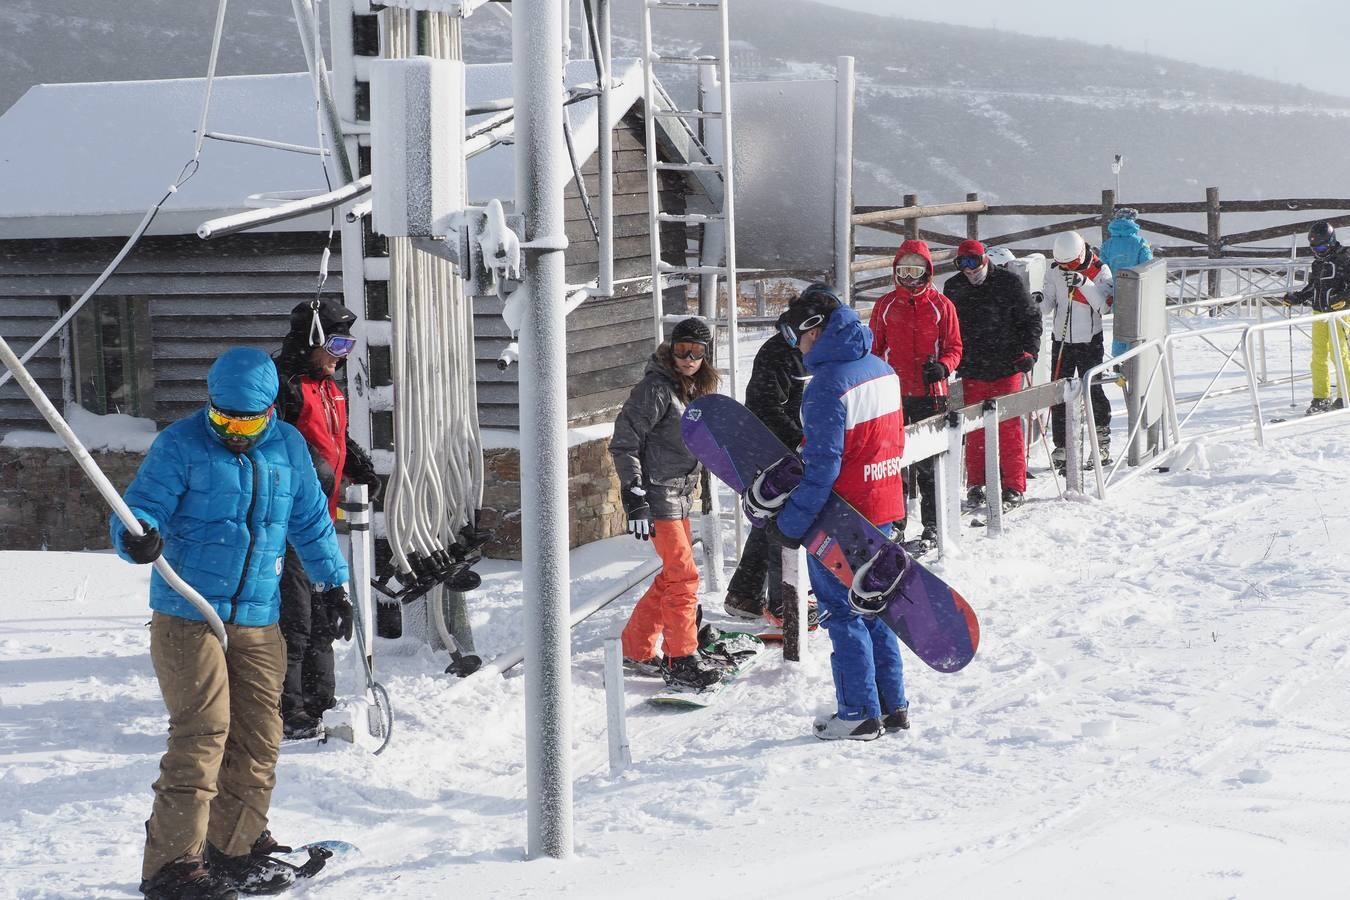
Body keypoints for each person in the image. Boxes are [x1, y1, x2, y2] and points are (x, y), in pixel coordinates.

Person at [111, 347, 350, 899]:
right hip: (188, 613)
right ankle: (172, 867)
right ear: (209, 406)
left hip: (258, 616)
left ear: (270, 411)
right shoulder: (180, 444)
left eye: (248, 421)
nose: (235, 432)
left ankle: (235, 849)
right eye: (224, 419)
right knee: (202, 733)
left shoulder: (288, 446)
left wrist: (331, 584)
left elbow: (311, 521)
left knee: (260, 736)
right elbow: (138, 509)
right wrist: (136, 536)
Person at [767, 286, 910, 741]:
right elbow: (892, 443)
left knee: (842, 613)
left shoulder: (828, 386)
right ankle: (892, 705)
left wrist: (791, 523)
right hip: (881, 505)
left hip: (840, 517)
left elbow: (823, 466)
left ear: (816, 329)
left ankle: (858, 713)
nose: (795, 346)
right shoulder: (882, 369)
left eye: (795, 333)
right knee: (875, 607)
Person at [273, 299, 383, 739]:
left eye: (349, 343)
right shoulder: (284, 385)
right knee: (295, 615)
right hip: (285, 521)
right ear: (312, 339)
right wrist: (312, 473)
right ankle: (287, 708)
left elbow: (334, 437)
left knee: (324, 609)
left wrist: (358, 465)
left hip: (318, 518)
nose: (344, 353)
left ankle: (320, 701)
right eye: (336, 342)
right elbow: (276, 443)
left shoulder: (327, 386)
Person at [611, 317, 726, 689]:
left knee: (671, 577)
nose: (688, 358)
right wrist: (635, 496)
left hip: (680, 494)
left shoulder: (693, 389)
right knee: (684, 577)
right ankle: (681, 658)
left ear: (706, 355)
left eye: (696, 352)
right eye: (681, 350)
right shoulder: (655, 389)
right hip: (658, 495)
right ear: (671, 349)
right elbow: (624, 443)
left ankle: (636, 648)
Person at [722, 306, 814, 627]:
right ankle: (781, 602)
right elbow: (765, 406)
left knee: (768, 520)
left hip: (787, 448)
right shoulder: (777, 354)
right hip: (772, 448)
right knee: (781, 523)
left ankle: (744, 594)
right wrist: (800, 440)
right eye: (786, 333)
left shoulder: (812, 352)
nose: (791, 340)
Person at [869, 239, 962, 548]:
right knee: (892, 461)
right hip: (893, 394)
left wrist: (944, 368)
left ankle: (934, 523)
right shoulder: (885, 305)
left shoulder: (941, 305)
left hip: (930, 392)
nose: (910, 278)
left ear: (927, 272)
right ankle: (895, 522)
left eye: (916, 271)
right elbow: (874, 347)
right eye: (904, 271)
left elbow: (954, 347)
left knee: (930, 461)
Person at [944, 239, 1042, 509]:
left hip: (1006, 365)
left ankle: (1013, 485)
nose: (969, 270)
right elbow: (948, 328)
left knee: (1007, 426)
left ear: (985, 259)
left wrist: (1029, 352)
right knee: (974, 428)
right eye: (962, 264)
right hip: (973, 367)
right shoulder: (954, 287)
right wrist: (949, 359)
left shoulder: (1008, 283)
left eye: (974, 262)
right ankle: (977, 483)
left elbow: (1031, 318)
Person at [1041, 231, 1114, 467]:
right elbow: (1048, 304)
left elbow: (1104, 307)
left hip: (1089, 340)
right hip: (1061, 340)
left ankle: (1101, 442)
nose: (1065, 269)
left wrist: (1084, 283)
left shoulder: (1100, 269)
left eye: (1070, 264)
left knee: (1092, 389)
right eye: (1062, 265)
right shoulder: (1054, 270)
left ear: (1080, 255)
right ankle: (1062, 445)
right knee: (1059, 392)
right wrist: (1038, 300)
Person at [1283, 222, 1350, 415]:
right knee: (1318, 357)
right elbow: (1313, 286)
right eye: (1314, 248)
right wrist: (1297, 297)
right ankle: (1321, 397)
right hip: (1319, 313)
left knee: (1340, 356)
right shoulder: (1318, 262)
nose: (1317, 251)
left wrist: (1345, 299)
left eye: (1320, 247)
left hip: (1339, 314)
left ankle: (1346, 394)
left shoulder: (1345, 258)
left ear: (1331, 241)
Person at [1100, 208, 1154, 358]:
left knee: (1120, 326)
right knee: (1137, 326)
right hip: (1136, 291)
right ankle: (1136, 358)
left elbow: (1102, 269)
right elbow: (1148, 266)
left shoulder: (1108, 245)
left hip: (1117, 291)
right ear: (1133, 221)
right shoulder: (1140, 243)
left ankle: (1118, 360)